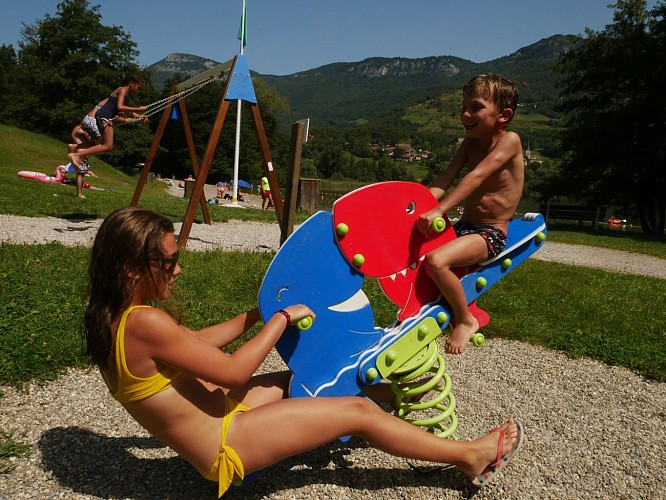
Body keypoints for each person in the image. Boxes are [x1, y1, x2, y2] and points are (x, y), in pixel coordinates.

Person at [83, 206, 524, 497]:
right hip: (225, 445)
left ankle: (387, 407)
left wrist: (254, 315)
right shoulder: (147, 321)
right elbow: (233, 373)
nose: (177, 269)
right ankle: (471, 457)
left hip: (218, 420)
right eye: (168, 260)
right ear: (131, 268)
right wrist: (280, 320)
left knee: (295, 382)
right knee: (356, 412)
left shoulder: (115, 320)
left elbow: (193, 346)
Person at [415, 74, 524, 355]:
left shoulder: (510, 140)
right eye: (463, 107)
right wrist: (416, 205)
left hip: (490, 233)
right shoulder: (468, 144)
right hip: (464, 226)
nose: (465, 114)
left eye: (475, 107)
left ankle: (466, 320)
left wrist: (439, 209)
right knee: (414, 249)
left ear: (504, 114)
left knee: (436, 261)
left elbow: (476, 176)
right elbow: (444, 179)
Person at [68, 74, 148, 174]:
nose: (138, 90)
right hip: (104, 117)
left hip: (103, 117)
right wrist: (139, 109)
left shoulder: (126, 97)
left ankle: (77, 150)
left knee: (103, 145)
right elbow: (120, 107)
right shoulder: (122, 89)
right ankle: (77, 155)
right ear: (131, 83)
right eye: (138, 87)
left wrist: (140, 116)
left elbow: (129, 112)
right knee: (107, 146)